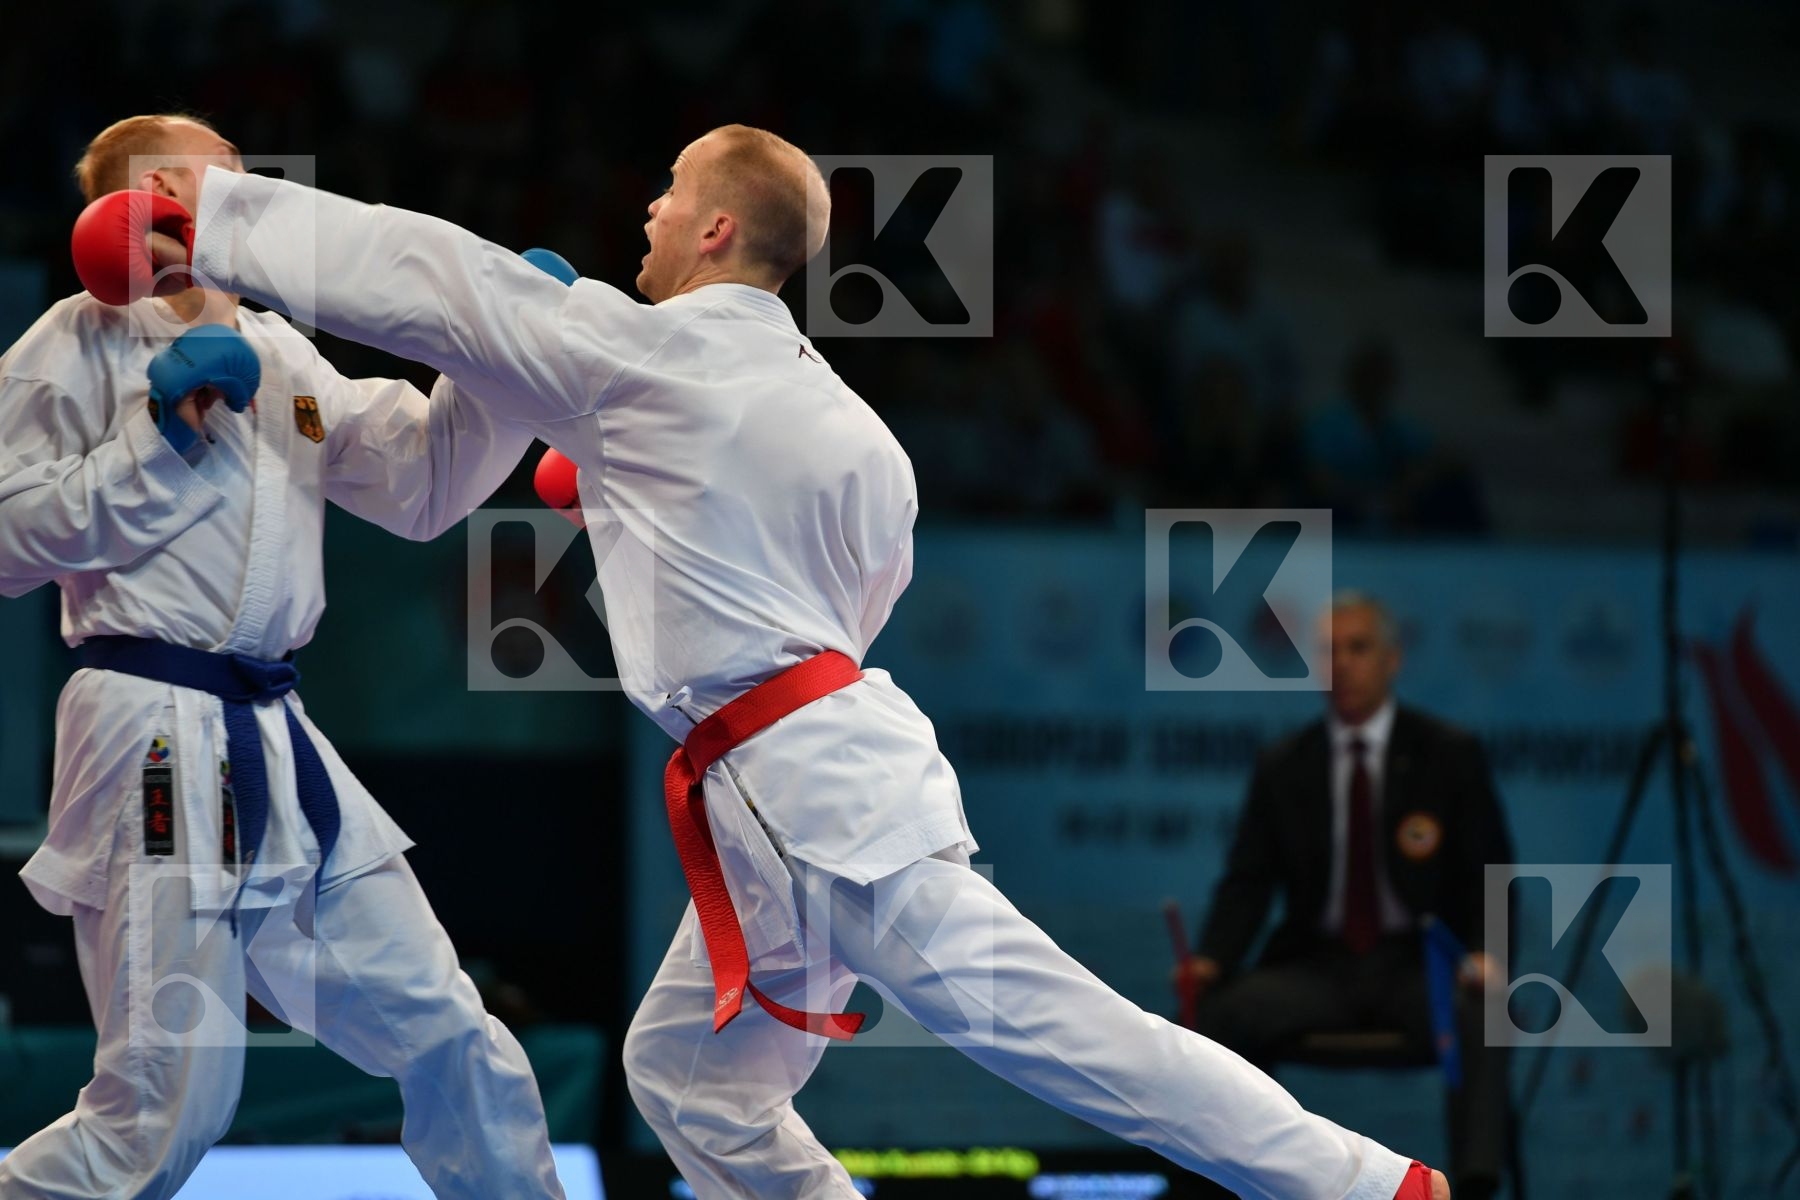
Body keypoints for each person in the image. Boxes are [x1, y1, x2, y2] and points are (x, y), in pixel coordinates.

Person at [114, 122, 1449, 1200]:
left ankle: (1366, 1185)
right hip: (801, 784)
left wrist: (214, 217)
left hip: (816, 807)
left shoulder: (644, 361)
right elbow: (828, 602)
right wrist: (633, 497)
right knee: (692, 1074)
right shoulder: (850, 426)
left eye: (666, 192)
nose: (641, 213)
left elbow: (435, 278)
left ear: (713, 228)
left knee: (1059, 1033)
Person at [0, 114, 566, 1199]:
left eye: (239, 186)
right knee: (164, 1112)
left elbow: (422, 488)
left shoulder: (281, 350)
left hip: (277, 734)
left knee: (447, 1027)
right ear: (136, 201)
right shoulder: (73, 343)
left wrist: (501, 366)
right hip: (149, 724)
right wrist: (155, 439)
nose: (234, 205)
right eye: (201, 186)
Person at [1176, 592, 1513, 1200]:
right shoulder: (1284, 764)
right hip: (1315, 968)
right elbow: (1248, 880)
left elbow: (1492, 871)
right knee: (1219, 1016)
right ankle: (1220, 1187)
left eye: (1358, 649)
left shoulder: (1447, 754)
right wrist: (1212, 961)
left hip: (1416, 968)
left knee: (1484, 1012)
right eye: (1329, 652)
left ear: (1392, 660)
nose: (1343, 665)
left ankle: (1476, 1186)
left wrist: (1487, 953)